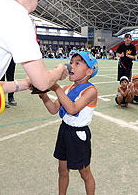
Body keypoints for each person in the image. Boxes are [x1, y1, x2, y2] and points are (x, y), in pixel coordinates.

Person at [0, 0, 69, 194]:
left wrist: (23, 84)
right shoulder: (15, 15)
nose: (35, 7)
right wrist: (60, 71)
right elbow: (42, 81)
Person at [39, 51, 98, 195]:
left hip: (79, 134)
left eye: (77, 63)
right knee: (62, 170)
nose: (72, 66)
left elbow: (72, 109)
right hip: (64, 130)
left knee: (84, 172)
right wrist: (44, 96)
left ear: (89, 71)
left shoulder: (91, 91)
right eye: (71, 62)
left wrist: (56, 87)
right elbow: (54, 109)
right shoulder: (67, 88)